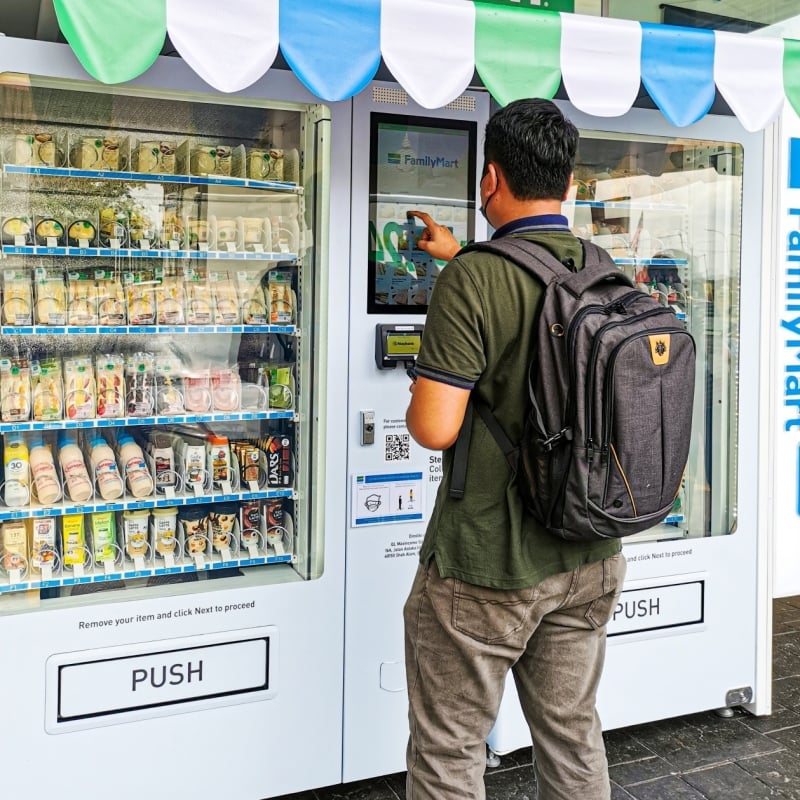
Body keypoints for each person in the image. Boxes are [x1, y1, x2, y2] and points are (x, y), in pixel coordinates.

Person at [403, 98, 627, 800]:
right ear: (568, 185)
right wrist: (458, 253)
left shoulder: (471, 280)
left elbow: (435, 427)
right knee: (572, 735)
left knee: (449, 750)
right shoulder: (600, 266)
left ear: (489, 180)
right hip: (589, 552)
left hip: (488, 563)